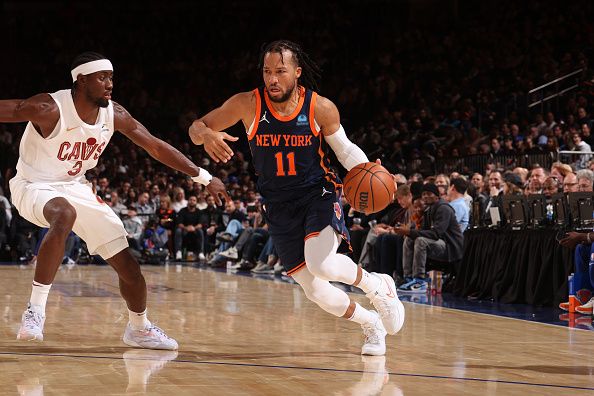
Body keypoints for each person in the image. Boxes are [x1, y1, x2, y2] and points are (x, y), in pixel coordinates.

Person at [189, 40, 404, 356]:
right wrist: (205, 134)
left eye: (280, 71)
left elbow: (343, 149)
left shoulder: (320, 107)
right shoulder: (247, 104)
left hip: (317, 192)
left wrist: (367, 168)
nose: (272, 79)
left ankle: (377, 287)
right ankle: (369, 323)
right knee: (315, 290)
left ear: (297, 73)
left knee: (323, 264)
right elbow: (195, 128)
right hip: (277, 204)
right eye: (267, 71)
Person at [0, 52, 229, 349]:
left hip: (76, 187)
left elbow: (155, 147)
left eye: (111, 77)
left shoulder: (114, 114)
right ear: (81, 81)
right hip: (33, 185)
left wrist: (204, 177)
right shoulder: (49, 107)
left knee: (129, 268)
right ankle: (35, 310)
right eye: (102, 78)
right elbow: (13, 108)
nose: (110, 84)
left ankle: (139, 328)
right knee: (64, 214)